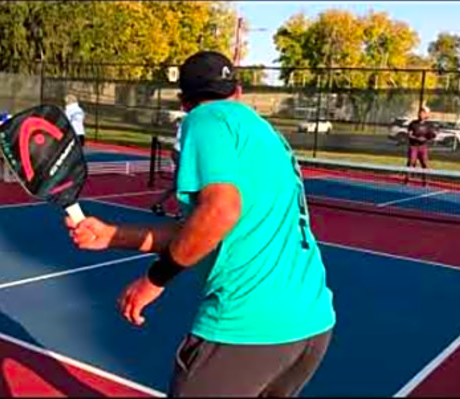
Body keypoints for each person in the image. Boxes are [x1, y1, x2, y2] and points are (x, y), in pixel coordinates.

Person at [64, 51, 335, 397]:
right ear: (238, 90)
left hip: (249, 325)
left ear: (183, 101)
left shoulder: (204, 119)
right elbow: (201, 229)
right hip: (311, 323)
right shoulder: (264, 132)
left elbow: (220, 212)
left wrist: (154, 280)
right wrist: (111, 235)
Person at [151, 120, 182, 219]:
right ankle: (181, 212)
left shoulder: (191, 120)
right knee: (185, 183)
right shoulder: (191, 120)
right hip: (181, 153)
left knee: (177, 185)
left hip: (180, 153)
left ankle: (157, 204)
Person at [404, 106, 436, 186]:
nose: (420, 114)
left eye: (423, 112)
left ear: (426, 114)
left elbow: (432, 136)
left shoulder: (429, 125)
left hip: (423, 147)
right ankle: (407, 181)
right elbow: (409, 135)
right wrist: (417, 139)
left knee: (425, 164)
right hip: (413, 146)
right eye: (420, 112)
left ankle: (425, 183)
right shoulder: (413, 123)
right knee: (411, 163)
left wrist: (429, 137)